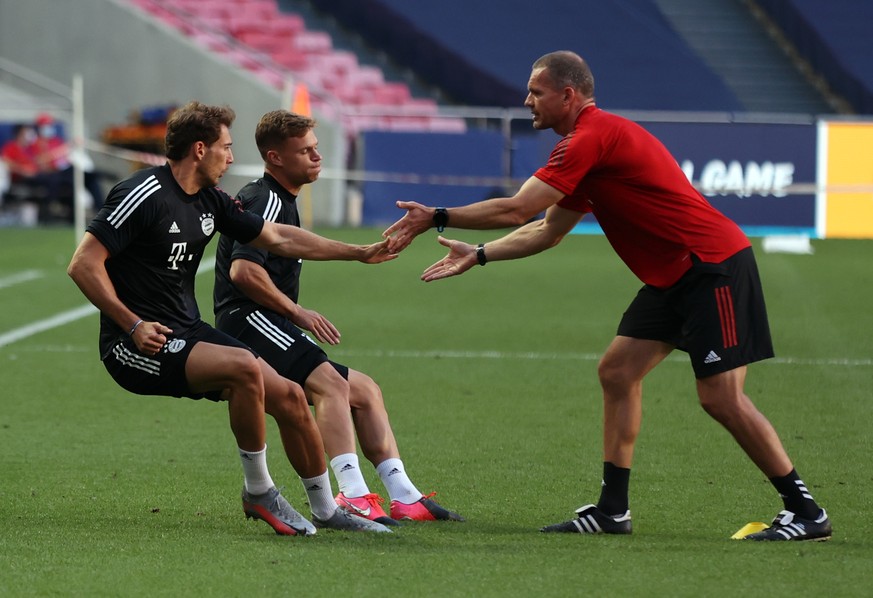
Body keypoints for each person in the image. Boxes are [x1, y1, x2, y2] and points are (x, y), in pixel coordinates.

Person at [383, 51, 830, 542]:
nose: (527, 100)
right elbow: (547, 230)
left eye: (536, 92)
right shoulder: (588, 146)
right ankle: (612, 511)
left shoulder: (590, 137)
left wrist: (437, 215)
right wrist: (482, 254)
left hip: (711, 266)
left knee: (721, 398)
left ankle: (806, 511)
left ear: (567, 95)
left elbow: (516, 209)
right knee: (618, 371)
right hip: (673, 277)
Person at [67, 100, 397, 537]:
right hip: (134, 345)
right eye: (226, 146)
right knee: (245, 368)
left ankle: (327, 510)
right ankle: (259, 491)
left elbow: (276, 235)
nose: (232, 156)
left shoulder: (211, 201)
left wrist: (357, 253)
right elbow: (83, 264)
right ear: (200, 149)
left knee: (292, 398)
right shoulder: (142, 193)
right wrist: (132, 324)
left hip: (186, 331)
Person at [213, 110, 464, 524]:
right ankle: (353, 496)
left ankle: (405, 496)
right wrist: (298, 312)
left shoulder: (280, 198)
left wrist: (359, 253)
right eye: (305, 151)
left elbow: (303, 244)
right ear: (275, 157)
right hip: (248, 318)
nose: (317, 157)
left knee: (364, 390)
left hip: (270, 320)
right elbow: (243, 271)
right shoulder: (265, 198)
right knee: (331, 384)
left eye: (316, 148)